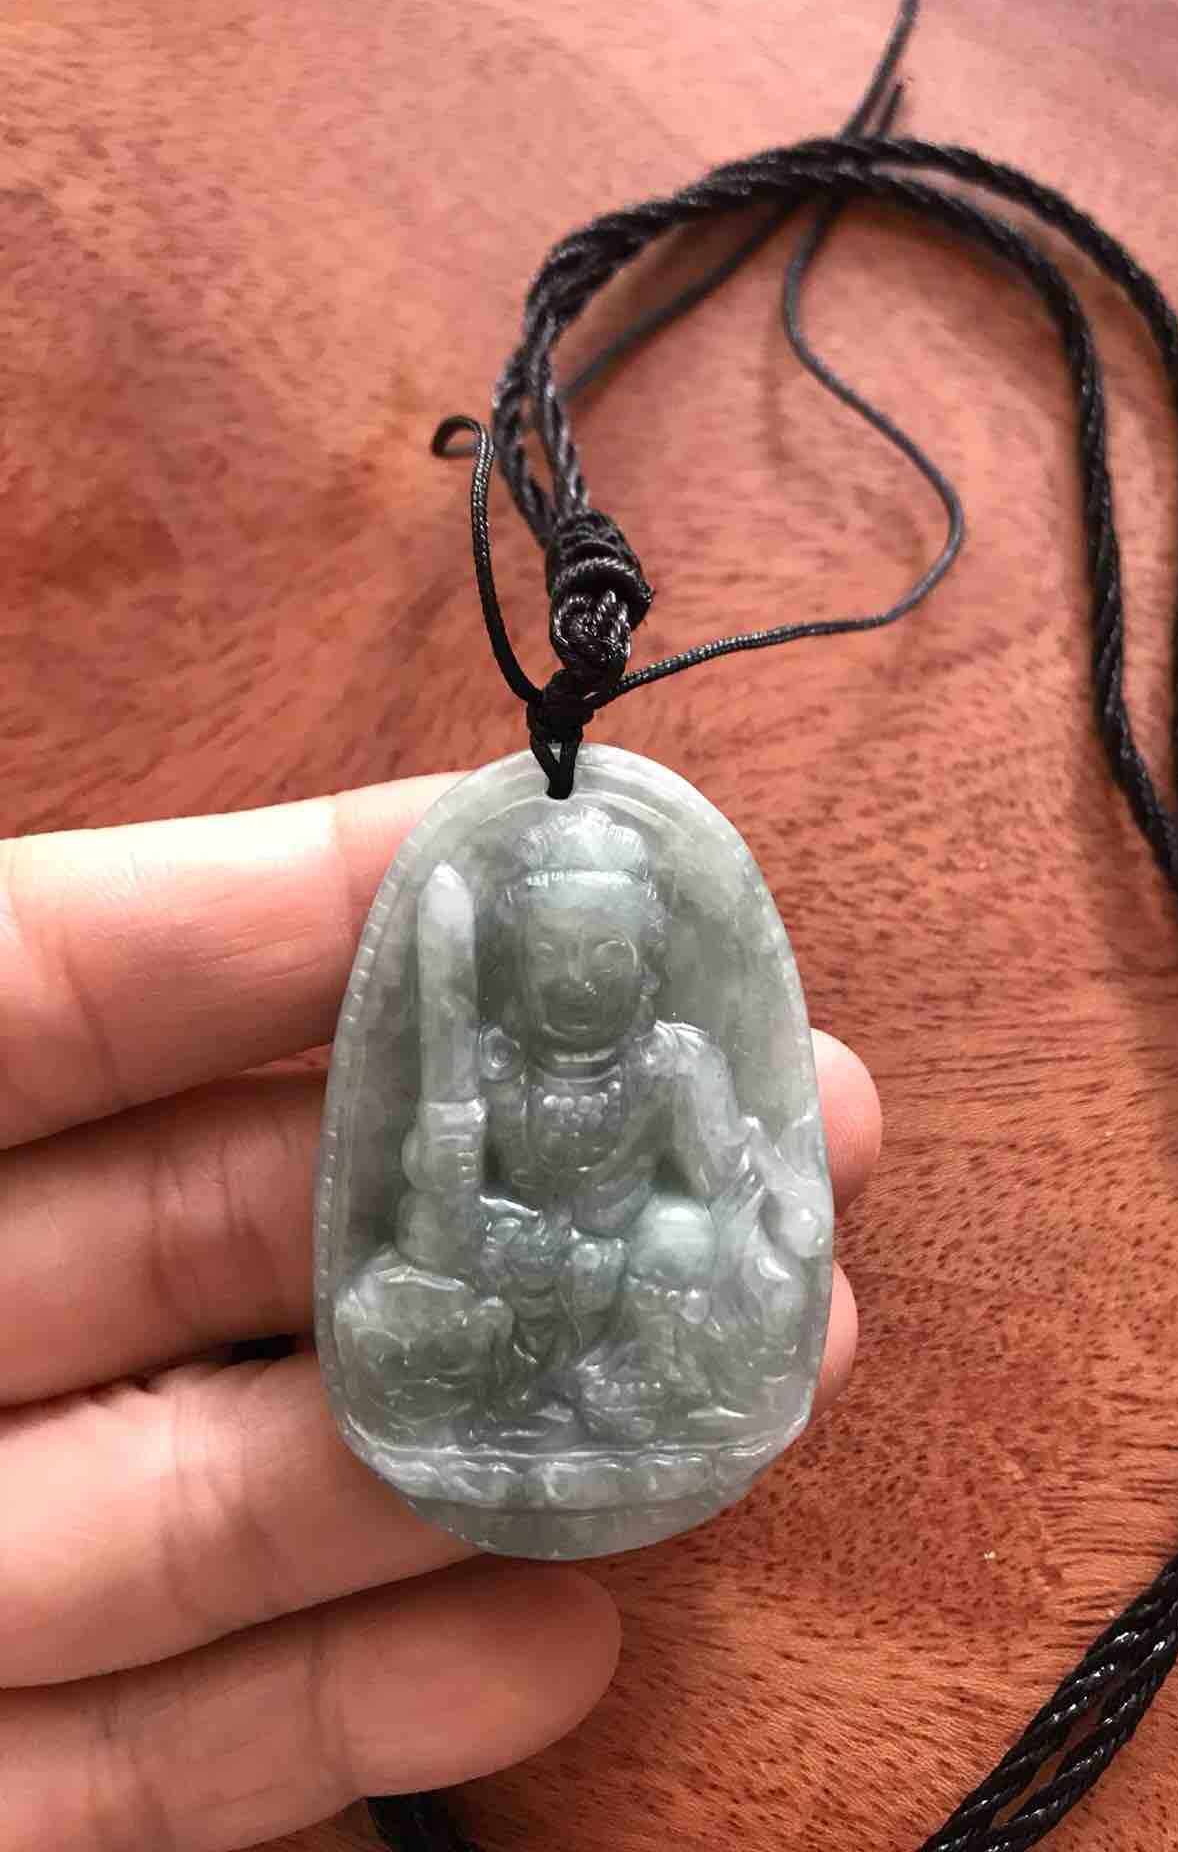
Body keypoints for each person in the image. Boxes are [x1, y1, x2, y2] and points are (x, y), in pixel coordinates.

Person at [0, 776, 879, 1851]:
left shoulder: (675, 1064)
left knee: (685, 1244)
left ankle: (627, 1389)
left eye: (606, 957)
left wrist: (768, 1219)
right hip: (519, 1290)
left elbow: (726, 1182)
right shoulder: (492, 1073)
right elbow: (431, 1229)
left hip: (633, 1296)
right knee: (385, 1313)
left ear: (649, 965)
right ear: (511, 964)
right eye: (554, 956)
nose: (579, 982)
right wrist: (474, 1208)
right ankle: (540, 1389)